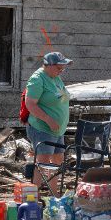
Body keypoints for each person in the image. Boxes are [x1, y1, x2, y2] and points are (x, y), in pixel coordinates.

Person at [25, 51, 72, 195]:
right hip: (43, 128)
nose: (61, 70)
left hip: (57, 130)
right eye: (59, 68)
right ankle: (32, 197)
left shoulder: (56, 77)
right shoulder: (38, 79)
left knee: (57, 160)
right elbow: (30, 104)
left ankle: (54, 194)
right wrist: (48, 119)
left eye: (63, 68)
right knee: (43, 162)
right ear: (48, 65)